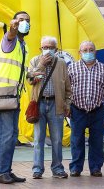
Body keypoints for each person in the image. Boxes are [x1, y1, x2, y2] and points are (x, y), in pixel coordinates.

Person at [0, 11, 30, 184]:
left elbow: (20, 70)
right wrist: (12, 29)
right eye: (21, 20)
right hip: (5, 94)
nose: (25, 23)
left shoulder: (24, 45)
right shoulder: (10, 39)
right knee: (6, 135)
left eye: (27, 21)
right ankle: (2, 172)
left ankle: (7, 170)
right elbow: (10, 34)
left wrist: (33, 74)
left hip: (14, 95)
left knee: (12, 135)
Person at [67, 41, 104, 177]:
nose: (88, 52)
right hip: (77, 109)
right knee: (76, 141)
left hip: (97, 111)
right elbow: (67, 90)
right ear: (79, 52)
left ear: (95, 51)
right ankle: (76, 167)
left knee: (97, 141)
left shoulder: (103, 68)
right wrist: (67, 106)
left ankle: (95, 168)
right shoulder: (72, 68)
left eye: (91, 50)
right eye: (85, 50)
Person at [27, 36, 71, 179]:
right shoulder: (34, 60)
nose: (47, 50)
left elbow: (68, 88)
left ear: (56, 50)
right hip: (39, 104)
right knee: (38, 138)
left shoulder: (62, 63)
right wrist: (41, 65)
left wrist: (67, 104)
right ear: (40, 49)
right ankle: (37, 169)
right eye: (44, 47)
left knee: (57, 139)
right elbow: (30, 80)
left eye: (50, 47)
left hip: (56, 104)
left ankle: (57, 168)